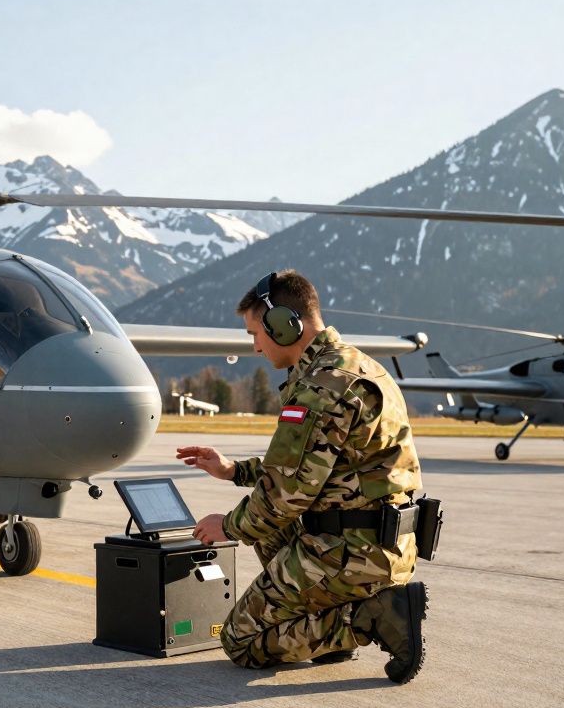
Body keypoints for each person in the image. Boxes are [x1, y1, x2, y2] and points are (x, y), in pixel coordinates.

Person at [176, 270, 428, 684]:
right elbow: (308, 466)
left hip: (354, 553)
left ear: (284, 324)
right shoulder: (354, 365)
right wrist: (231, 470)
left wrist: (228, 526)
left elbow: (285, 496)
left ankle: (370, 619)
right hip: (381, 543)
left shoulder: (322, 386)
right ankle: (333, 626)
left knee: (240, 641)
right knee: (268, 531)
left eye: (255, 332)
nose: (255, 346)